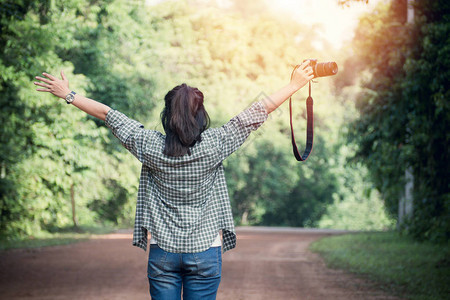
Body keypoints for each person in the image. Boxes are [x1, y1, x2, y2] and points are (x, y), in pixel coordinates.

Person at [34, 61, 314, 300]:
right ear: (201, 115)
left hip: (164, 252)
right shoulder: (215, 144)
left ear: (167, 116)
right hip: (205, 251)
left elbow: (109, 115)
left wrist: (68, 94)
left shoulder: (150, 146)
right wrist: (296, 85)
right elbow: (257, 112)